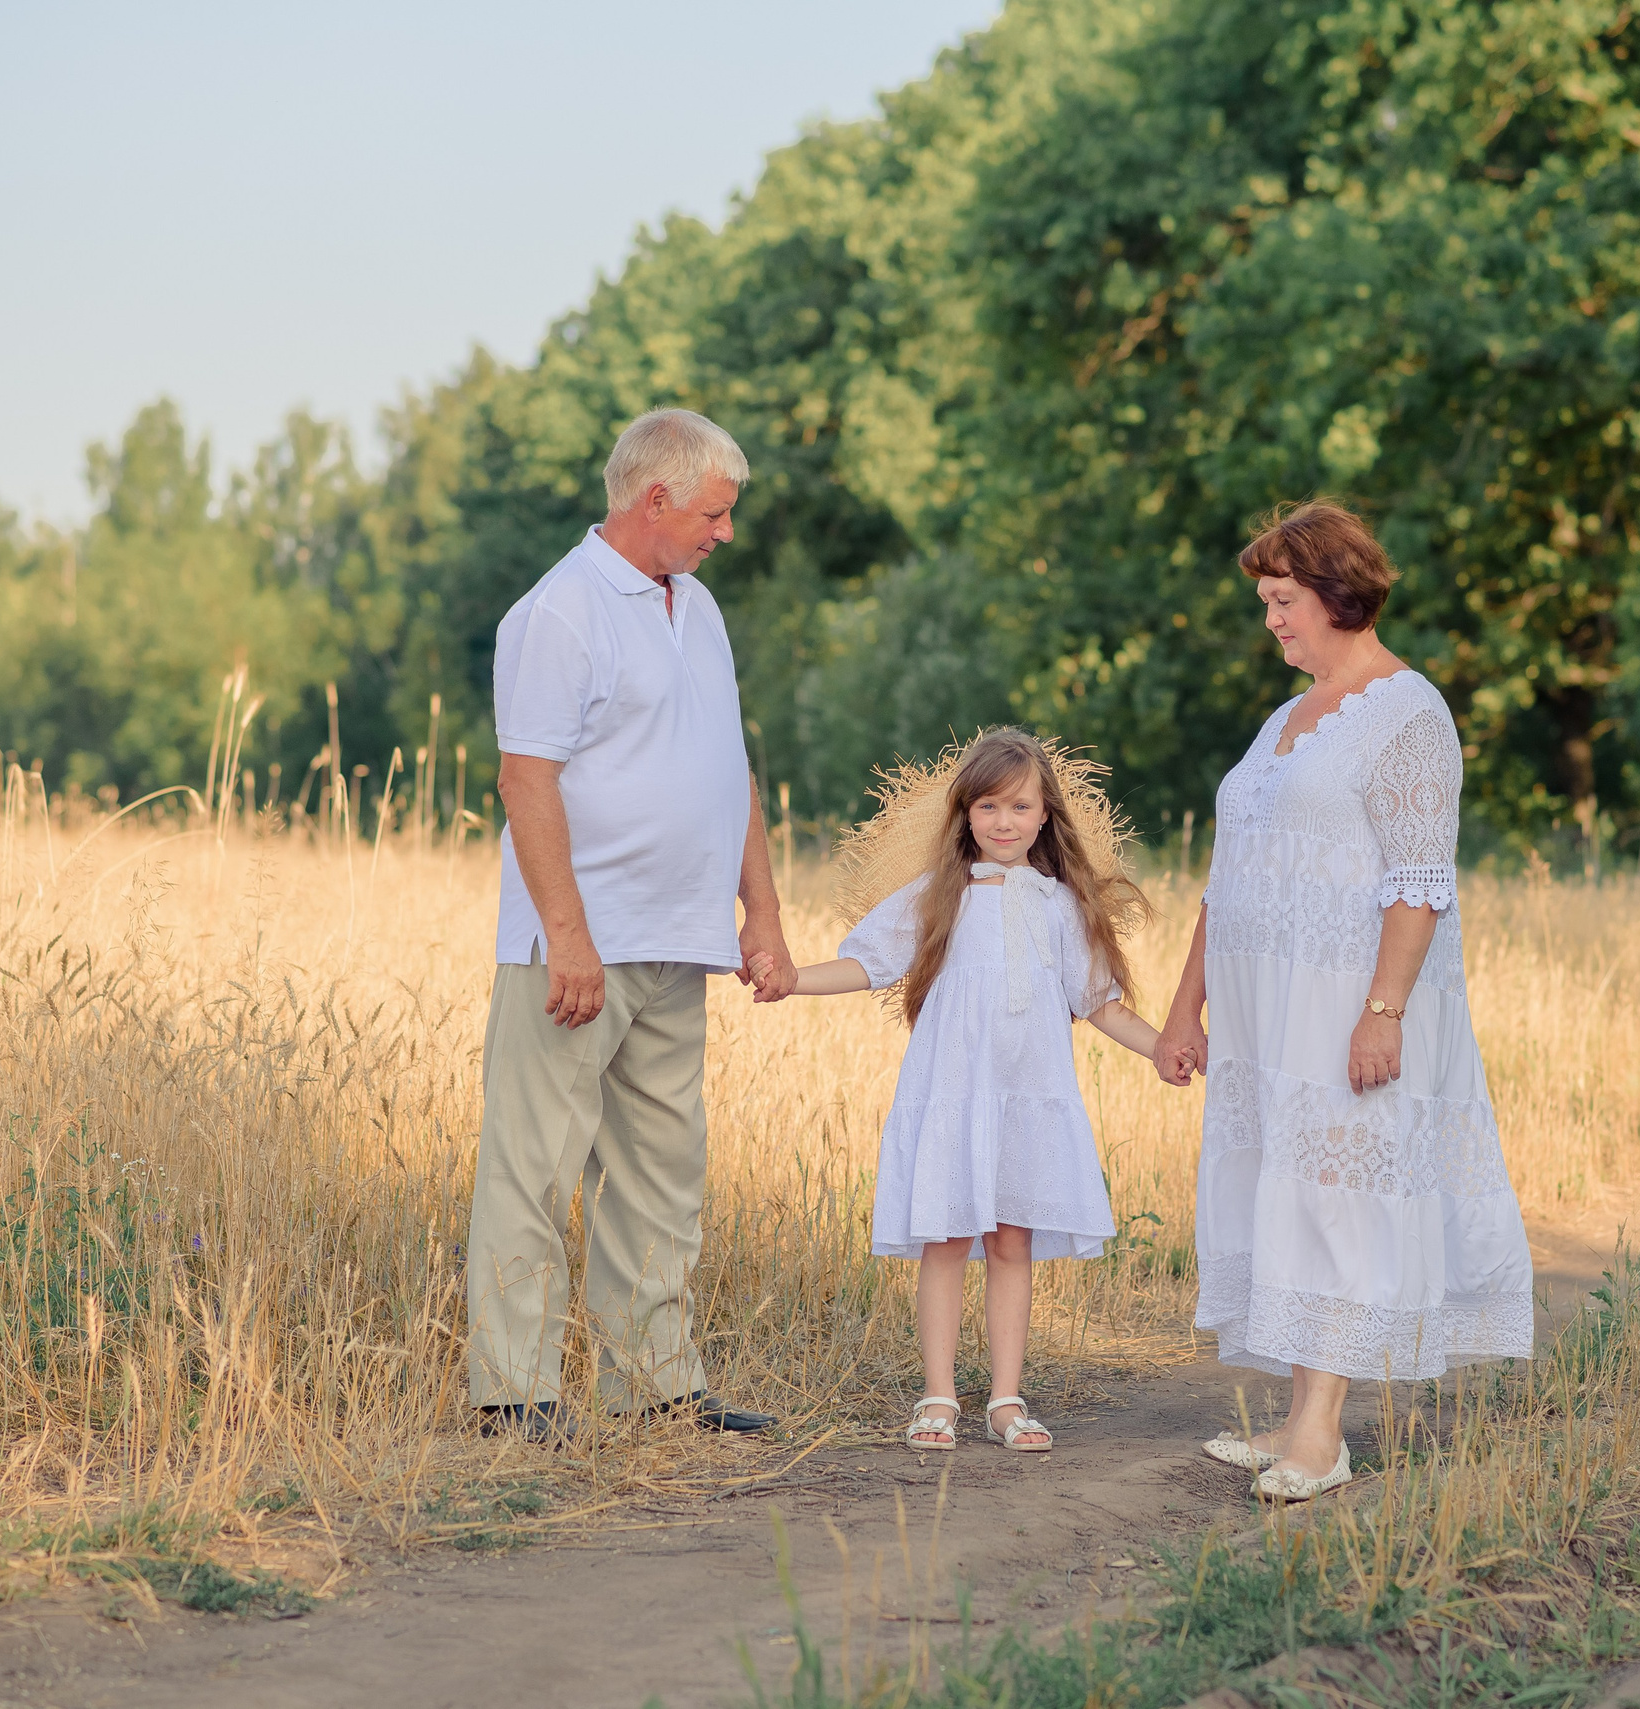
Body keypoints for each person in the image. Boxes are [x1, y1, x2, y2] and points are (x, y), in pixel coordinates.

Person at [1153, 499, 1533, 1502]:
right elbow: (1225, 878)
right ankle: (1293, 1413)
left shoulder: (1409, 711)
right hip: (1263, 1007)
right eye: (1267, 603)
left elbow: (1419, 879)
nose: (1271, 620)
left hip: (1346, 998)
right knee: (1284, 1186)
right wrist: (1184, 1005)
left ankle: (1321, 1433)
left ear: (1336, 593)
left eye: (1282, 601)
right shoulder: (1286, 717)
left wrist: (1384, 1008)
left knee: (1334, 1195)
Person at [467, 408, 797, 1442]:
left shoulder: (696, 608)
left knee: (661, 1170)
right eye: (714, 511)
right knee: (535, 1166)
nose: (724, 532)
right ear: (653, 499)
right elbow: (527, 779)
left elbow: (727, 765)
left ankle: (654, 1382)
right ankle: (511, 1393)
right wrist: (569, 937)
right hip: (579, 947)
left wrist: (763, 911)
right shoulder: (557, 612)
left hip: (681, 934)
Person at [753, 729, 1161, 1453]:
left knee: (1011, 1241)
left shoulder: (1063, 906)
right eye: (988, 805)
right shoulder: (938, 897)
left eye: (1020, 805)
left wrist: (1165, 1048)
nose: (1003, 820)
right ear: (965, 813)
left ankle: (1006, 1399)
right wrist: (791, 980)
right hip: (952, 1092)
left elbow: (1101, 1003)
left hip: (1024, 1097)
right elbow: (866, 964)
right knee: (944, 1239)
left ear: (1045, 817)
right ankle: (937, 1395)